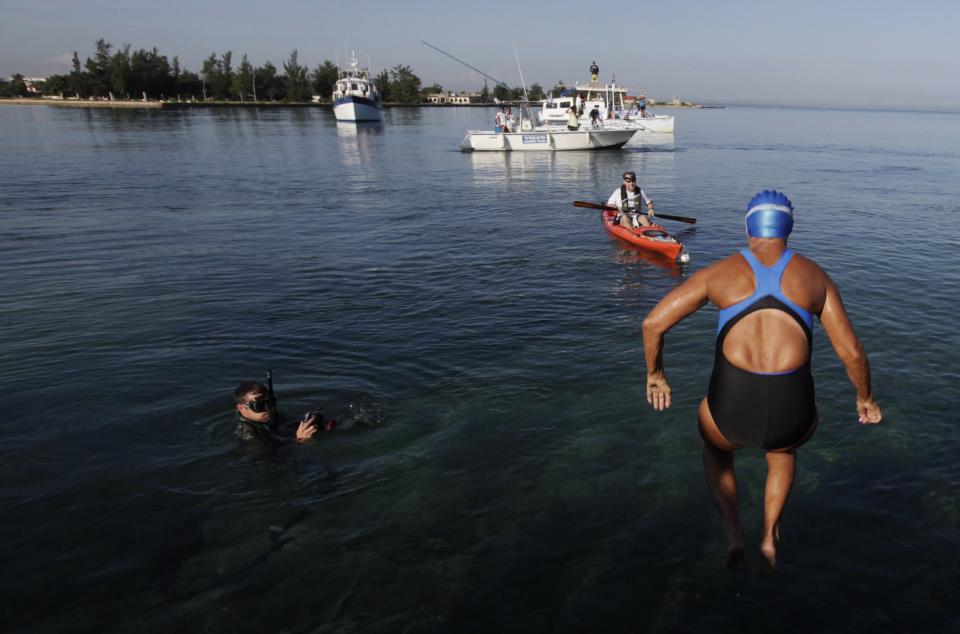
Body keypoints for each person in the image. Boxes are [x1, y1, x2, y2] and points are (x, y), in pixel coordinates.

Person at [642, 190, 882, 573]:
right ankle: (769, 536)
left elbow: (652, 324)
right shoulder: (815, 277)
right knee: (783, 453)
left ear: (748, 226)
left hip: (729, 412)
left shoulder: (718, 274)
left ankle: (735, 534)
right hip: (792, 415)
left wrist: (656, 375)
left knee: (716, 449)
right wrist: (865, 399)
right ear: (789, 227)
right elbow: (852, 352)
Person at [234, 380, 332, 444]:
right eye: (259, 405)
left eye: (270, 402)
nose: (267, 408)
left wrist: (307, 421)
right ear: (241, 408)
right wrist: (299, 440)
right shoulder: (247, 433)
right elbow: (268, 456)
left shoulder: (267, 415)